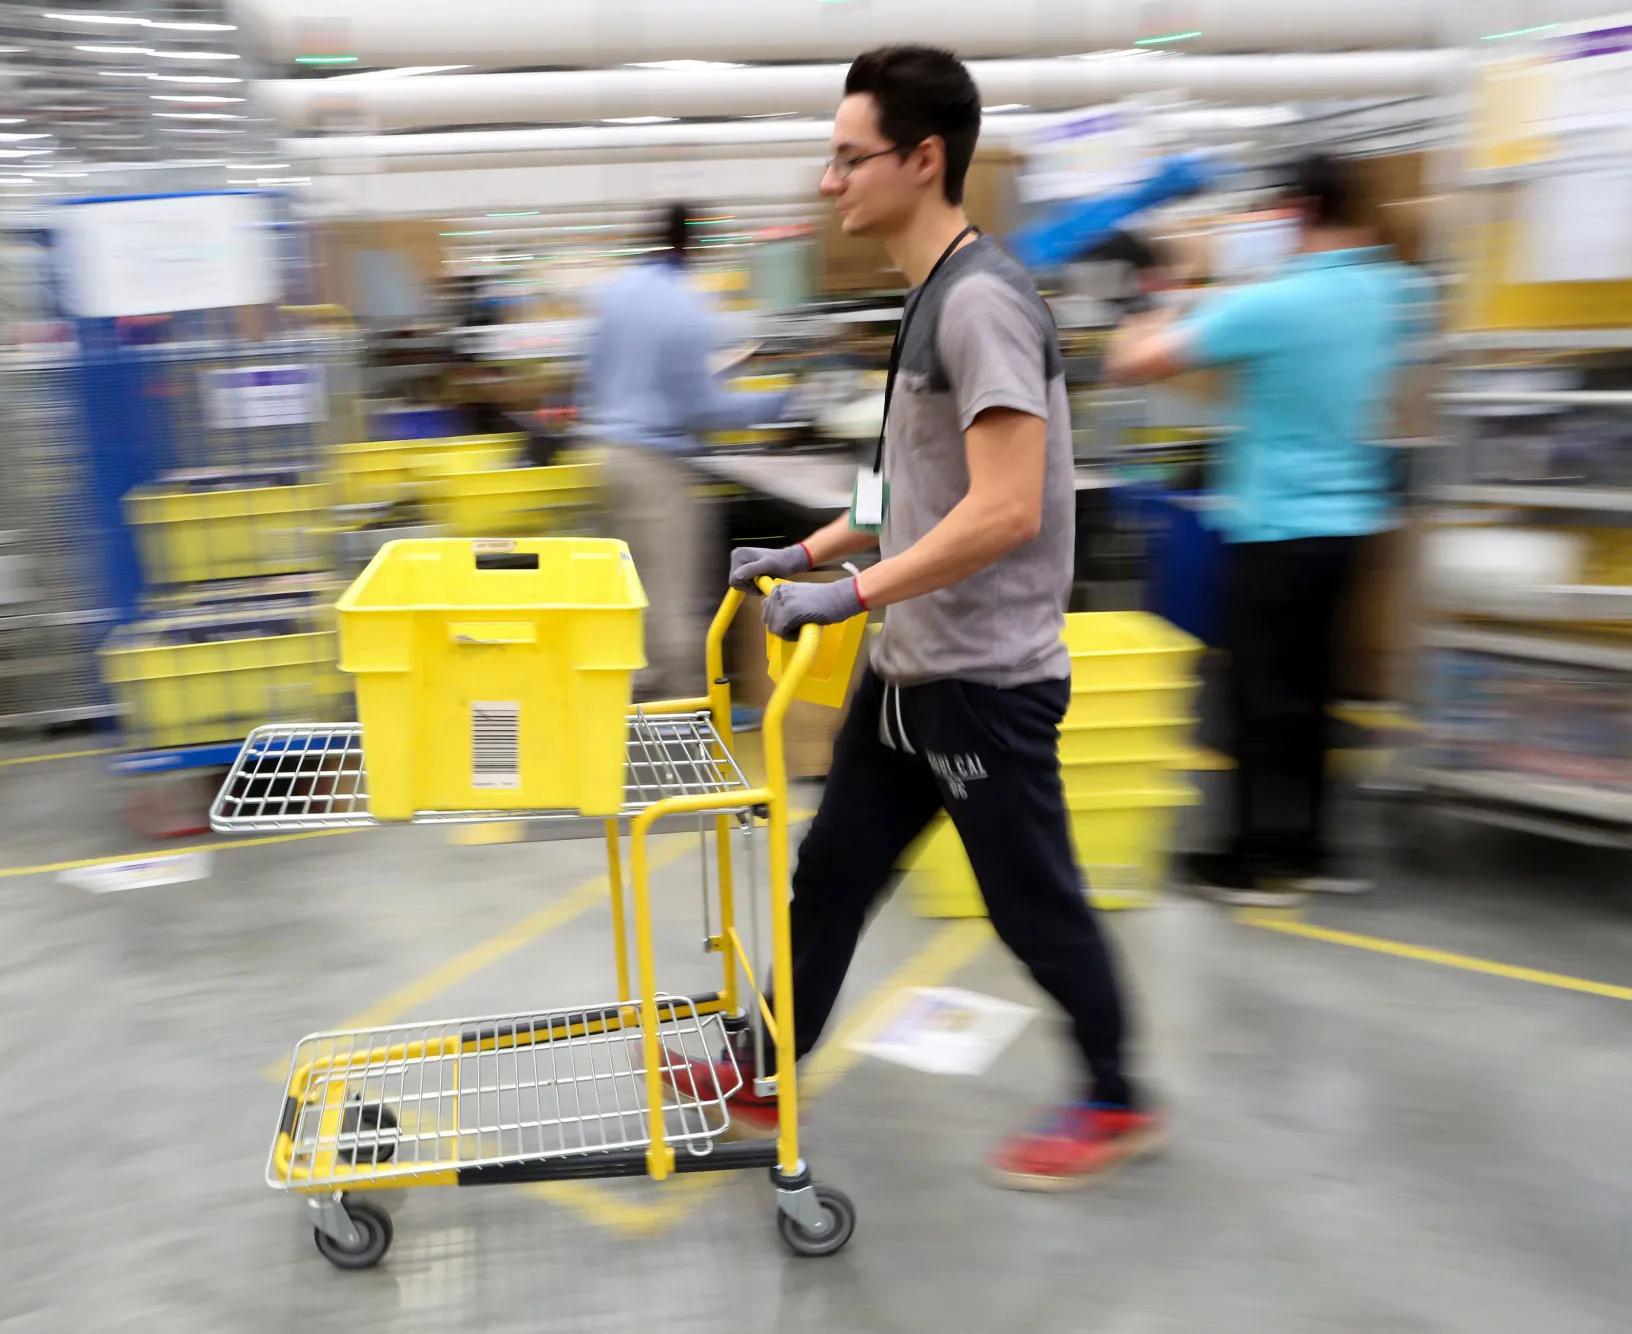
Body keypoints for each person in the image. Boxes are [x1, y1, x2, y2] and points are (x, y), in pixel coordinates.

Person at [665, 46, 1159, 1191]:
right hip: (905, 674)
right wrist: (817, 544)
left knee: (1033, 906)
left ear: (921, 159)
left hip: (980, 682)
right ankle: (761, 1067)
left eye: (849, 157)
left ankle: (1115, 1094)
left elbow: (1000, 509)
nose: (829, 180)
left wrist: (845, 595)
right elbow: (909, 485)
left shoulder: (981, 303)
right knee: (826, 876)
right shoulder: (929, 291)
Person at [1105, 154, 1426, 907]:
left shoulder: (1280, 300)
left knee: (1258, 696)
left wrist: (1160, 290)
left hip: (1276, 525)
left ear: (1299, 208)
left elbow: (1135, 362)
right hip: (1353, 524)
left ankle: (1255, 859)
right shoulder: (1399, 289)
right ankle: (1315, 849)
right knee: (1315, 692)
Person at [577, 205, 790, 699]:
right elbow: (703, 409)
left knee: (631, 594)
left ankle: (632, 709)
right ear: (694, 248)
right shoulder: (686, 308)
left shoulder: (616, 292)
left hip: (605, 457)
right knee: (675, 599)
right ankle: (687, 715)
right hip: (655, 467)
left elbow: (591, 377)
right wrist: (782, 402)